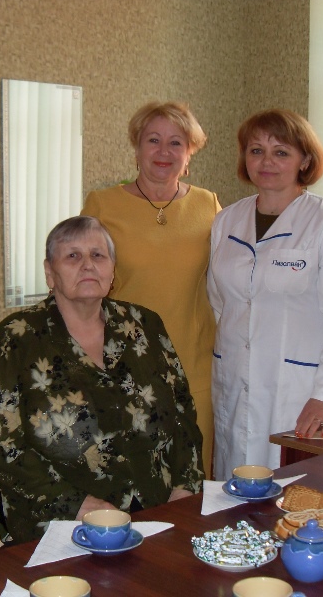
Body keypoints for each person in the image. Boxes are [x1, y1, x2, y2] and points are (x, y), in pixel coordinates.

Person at [0, 216, 204, 544]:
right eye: (72, 256)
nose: (87, 265)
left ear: (112, 271)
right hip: (59, 518)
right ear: (49, 272)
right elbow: (4, 446)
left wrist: (184, 487)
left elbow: (183, 413)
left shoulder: (145, 324)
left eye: (98, 255)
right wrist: (80, 506)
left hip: (157, 504)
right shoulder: (15, 339)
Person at [207, 109, 323, 481]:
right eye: (256, 150)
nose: (267, 162)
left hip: (299, 391)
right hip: (234, 383)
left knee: (295, 492)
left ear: (304, 160)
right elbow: (219, 302)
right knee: (234, 491)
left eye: (281, 152)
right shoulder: (226, 221)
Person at [82, 102, 221, 476]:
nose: (164, 151)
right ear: (137, 147)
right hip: (126, 365)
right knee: (132, 478)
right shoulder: (102, 204)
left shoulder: (208, 205)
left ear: (189, 153)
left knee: (191, 476)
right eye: (153, 140)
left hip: (195, 365)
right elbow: (80, 286)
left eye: (176, 143)